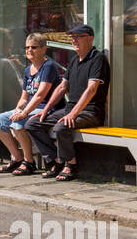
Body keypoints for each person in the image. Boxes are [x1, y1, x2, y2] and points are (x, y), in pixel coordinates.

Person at [24, 24, 110, 182]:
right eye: (72, 37)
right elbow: (62, 87)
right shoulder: (74, 60)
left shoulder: (97, 59)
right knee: (32, 124)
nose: (74, 40)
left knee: (61, 127)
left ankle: (70, 165)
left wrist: (73, 113)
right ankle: (54, 162)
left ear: (90, 39)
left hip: (90, 112)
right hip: (70, 109)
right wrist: (46, 110)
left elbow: (91, 90)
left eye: (78, 37)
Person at [0, 33, 63, 176]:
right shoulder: (27, 70)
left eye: (34, 47)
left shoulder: (48, 66)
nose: (29, 50)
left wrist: (23, 113)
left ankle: (29, 162)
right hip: (31, 107)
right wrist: (18, 108)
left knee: (18, 124)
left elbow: (40, 95)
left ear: (43, 49)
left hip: (46, 108)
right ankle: (17, 158)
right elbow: (25, 96)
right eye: (27, 47)